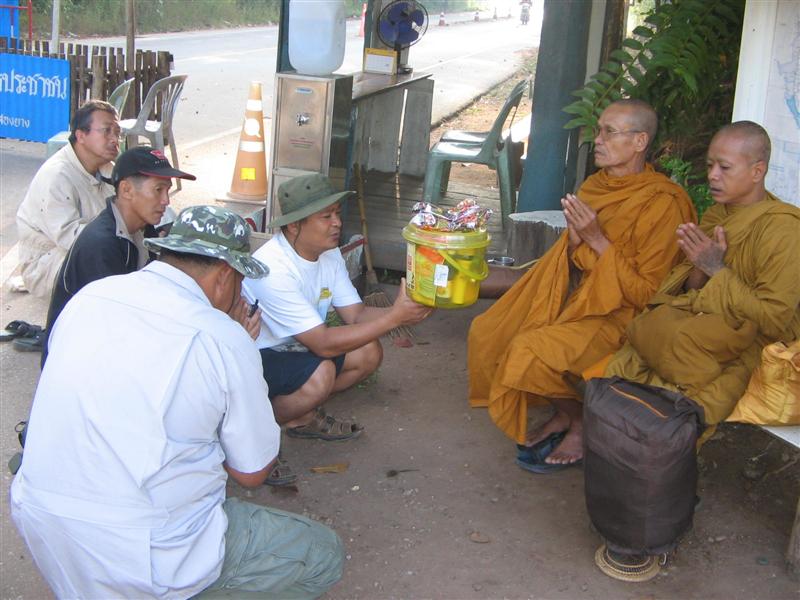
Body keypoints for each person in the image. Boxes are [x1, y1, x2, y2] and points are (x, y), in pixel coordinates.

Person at [10, 205, 345, 599]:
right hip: (145, 550)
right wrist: (238, 343)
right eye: (240, 282)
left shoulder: (90, 297)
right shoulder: (223, 336)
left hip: (42, 523)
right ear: (225, 276)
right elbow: (253, 471)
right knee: (322, 554)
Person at [467, 99, 696, 471]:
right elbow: (574, 262)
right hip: (581, 299)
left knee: (527, 351)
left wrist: (596, 239)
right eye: (598, 130)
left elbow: (647, 294)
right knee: (491, 329)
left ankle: (578, 419)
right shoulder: (596, 186)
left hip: (624, 318)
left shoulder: (663, 204)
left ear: (639, 141)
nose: (598, 140)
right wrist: (576, 245)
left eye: (609, 132)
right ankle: (565, 411)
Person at [606, 121, 800, 426]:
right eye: (710, 166)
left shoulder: (784, 229)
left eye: (725, 167)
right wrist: (700, 265)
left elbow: (774, 320)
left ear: (757, 171)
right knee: (623, 368)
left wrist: (716, 269)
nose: (712, 175)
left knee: (677, 411)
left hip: (749, 345)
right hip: (699, 325)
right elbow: (690, 290)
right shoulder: (717, 214)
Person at [244, 173, 431, 478]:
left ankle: (301, 414)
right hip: (258, 357)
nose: (337, 223)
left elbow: (356, 315)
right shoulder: (273, 269)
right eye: (326, 216)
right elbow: (322, 343)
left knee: (368, 353)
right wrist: (395, 318)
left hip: (300, 347)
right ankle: (256, 424)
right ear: (294, 225)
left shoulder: (328, 254)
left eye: (337, 214)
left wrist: (403, 308)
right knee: (322, 374)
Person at [38, 146, 196, 362]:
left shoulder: (144, 228)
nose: (166, 200)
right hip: (77, 360)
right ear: (126, 190)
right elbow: (113, 326)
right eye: (158, 190)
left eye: (167, 190)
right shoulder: (101, 245)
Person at [16, 100, 120, 298]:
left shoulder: (107, 168)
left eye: (117, 132)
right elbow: (69, 237)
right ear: (81, 135)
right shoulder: (57, 175)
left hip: (86, 247)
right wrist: (123, 237)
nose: (115, 139)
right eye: (106, 131)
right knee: (114, 263)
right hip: (47, 263)